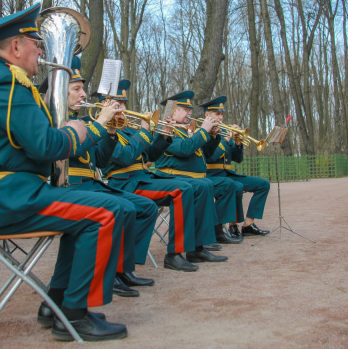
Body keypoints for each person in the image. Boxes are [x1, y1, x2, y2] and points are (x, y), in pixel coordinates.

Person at [0, 3, 128, 342]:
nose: (41, 51)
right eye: (37, 44)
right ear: (16, 47)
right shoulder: (4, 82)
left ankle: (58, 303)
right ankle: (75, 316)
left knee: (96, 209)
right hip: (3, 197)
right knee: (107, 212)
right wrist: (85, 132)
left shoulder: (0, 80)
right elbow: (44, 147)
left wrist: (73, 129)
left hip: (7, 192)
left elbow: (33, 141)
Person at [63, 69, 158, 296]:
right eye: (77, 89)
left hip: (93, 183)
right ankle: (111, 273)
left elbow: (100, 161)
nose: (84, 95)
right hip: (74, 185)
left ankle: (123, 269)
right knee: (122, 208)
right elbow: (120, 158)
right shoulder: (60, 118)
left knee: (147, 208)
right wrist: (101, 126)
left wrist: (111, 131)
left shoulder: (87, 122)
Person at [103, 89, 210, 273]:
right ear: (104, 105)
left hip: (142, 179)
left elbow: (150, 155)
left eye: (123, 104)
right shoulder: (105, 131)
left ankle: (186, 250)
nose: (122, 108)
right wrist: (145, 130)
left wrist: (164, 136)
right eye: (117, 104)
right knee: (182, 190)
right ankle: (174, 255)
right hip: (124, 184)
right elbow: (125, 157)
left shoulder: (129, 130)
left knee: (187, 188)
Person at [152, 91, 230, 263]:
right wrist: (203, 131)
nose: (190, 112)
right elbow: (184, 149)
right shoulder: (166, 128)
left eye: (189, 109)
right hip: (170, 178)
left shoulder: (186, 129)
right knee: (202, 185)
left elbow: (207, 155)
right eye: (185, 109)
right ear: (172, 111)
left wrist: (213, 136)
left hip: (191, 179)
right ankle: (185, 249)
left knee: (205, 184)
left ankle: (198, 248)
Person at [200, 96, 271, 238]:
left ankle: (248, 225)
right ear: (207, 114)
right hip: (210, 175)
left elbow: (238, 159)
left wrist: (238, 143)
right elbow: (211, 157)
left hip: (226, 174)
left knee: (263, 184)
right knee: (235, 185)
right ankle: (231, 226)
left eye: (221, 114)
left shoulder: (223, 132)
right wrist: (227, 139)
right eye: (217, 114)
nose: (220, 118)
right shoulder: (202, 132)